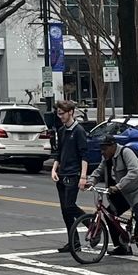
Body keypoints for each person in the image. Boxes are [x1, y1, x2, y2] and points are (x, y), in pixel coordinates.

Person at [90, 136, 138, 257]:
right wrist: (90, 181)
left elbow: (134, 171)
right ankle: (122, 246)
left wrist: (118, 186)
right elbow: (99, 171)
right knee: (110, 215)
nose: (102, 152)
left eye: (104, 148)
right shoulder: (107, 158)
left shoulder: (126, 152)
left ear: (113, 146)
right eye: (101, 149)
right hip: (125, 192)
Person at [49, 99, 92, 253]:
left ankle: (91, 225)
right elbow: (59, 153)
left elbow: (84, 155)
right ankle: (73, 242)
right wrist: (54, 169)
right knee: (65, 211)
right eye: (58, 113)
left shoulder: (78, 131)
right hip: (61, 174)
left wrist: (83, 176)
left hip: (73, 174)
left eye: (62, 113)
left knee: (70, 206)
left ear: (71, 113)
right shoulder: (61, 131)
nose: (60, 116)